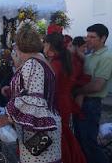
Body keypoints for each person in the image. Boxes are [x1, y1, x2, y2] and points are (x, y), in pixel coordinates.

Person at [0, 23, 61, 163]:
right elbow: (35, 89)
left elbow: (33, 99)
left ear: (18, 46)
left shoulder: (32, 64)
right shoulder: (42, 60)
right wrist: (13, 89)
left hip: (39, 130)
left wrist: (6, 117)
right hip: (45, 125)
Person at [43, 33, 87, 163]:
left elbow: (46, 87)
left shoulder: (55, 64)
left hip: (57, 103)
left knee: (58, 136)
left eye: (45, 43)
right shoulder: (63, 60)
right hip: (64, 101)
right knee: (63, 134)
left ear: (50, 46)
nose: (43, 46)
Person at [74, 24, 112, 163]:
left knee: (88, 143)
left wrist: (76, 91)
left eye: (92, 37)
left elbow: (97, 85)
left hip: (91, 104)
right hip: (83, 102)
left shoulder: (107, 57)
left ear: (103, 38)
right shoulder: (90, 55)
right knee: (80, 141)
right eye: (87, 36)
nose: (87, 40)